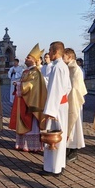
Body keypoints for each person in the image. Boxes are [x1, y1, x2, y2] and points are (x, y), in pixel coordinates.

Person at [40, 41, 71, 176]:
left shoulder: (58, 67)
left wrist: (50, 112)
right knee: (60, 135)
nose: (49, 53)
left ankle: (53, 168)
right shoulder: (62, 66)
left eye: (50, 50)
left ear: (55, 51)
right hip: (61, 105)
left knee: (54, 135)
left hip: (56, 107)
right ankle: (59, 165)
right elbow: (68, 88)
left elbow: (54, 91)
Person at [9, 44, 47, 152]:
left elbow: (32, 86)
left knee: (32, 123)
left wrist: (20, 85)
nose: (25, 59)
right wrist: (19, 83)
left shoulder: (36, 72)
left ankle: (31, 145)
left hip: (31, 102)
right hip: (23, 100)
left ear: (34, 60)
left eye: (28, 57)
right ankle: (22, 143)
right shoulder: (27, 71)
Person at [63, 48, 87, 163]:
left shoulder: (76, 70)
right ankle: (67, 148)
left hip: (74, 102)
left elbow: (75, 87)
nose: (62, 58)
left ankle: (73, 151)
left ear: (69, 57)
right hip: (67, 101)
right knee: (67, 127)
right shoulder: (67, 68)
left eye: (64, 56)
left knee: (74, 127)